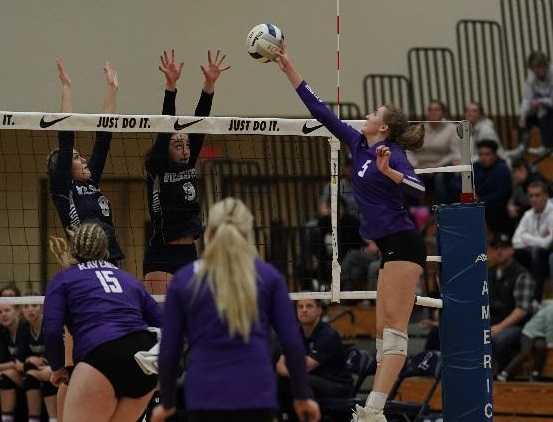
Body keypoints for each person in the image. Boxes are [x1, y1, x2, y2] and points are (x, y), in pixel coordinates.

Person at [273, 45, 426, 422]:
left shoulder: (390, 152)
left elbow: (420, 190)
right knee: (379, 329)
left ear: (385, 127)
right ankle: (374, 407)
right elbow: (321, 111)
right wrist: (289, 67)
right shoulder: (358, 144)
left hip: (405, 245)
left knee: (394, 332)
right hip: (388, 249)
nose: (367, 115)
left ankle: (372, 412)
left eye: (374, 113)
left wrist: (390, 171)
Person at [151, 198, 320, 422]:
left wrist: (167, 402)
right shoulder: (268, 277)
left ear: (208, 234)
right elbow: (292, 343)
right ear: (248, 234)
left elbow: (169, 349)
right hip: (257, 393)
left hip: (204, 395)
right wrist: (302, 396)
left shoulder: (184, 280)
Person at [43, 223, 161, 422]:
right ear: (105, 250)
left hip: (102, 353)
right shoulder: (128, 279)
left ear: (73, 249)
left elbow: (52, 331)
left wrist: (57, 367)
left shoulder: (64, 279)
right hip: (144, 359)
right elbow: (162, 321)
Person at [143, 49, 229, 294]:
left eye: (187, 144)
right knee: (164, 318)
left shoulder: (189, 165)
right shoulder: (157, 166)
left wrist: (209, 85)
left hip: (189, 252)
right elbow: (165, 125)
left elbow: (200, 122)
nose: (185, 149)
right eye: (177, 144)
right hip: (162, 253)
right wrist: (171, 87)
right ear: (165, 148)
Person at [47, 58, 123, 265]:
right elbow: (66, 136)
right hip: (85, 260)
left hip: (111, 256)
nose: (83, 160)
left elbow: (103, 138)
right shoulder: (64, 188)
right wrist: (67, 87)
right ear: (63, 168)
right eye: (76, 157)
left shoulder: (90, 181)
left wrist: (111, 89)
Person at [276, 299, 353, 416]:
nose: (304, 310)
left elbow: (303, 367)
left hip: (337, 386)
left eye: (309, 306)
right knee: (279, 381)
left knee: (294, 382)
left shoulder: (328, 335)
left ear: (319, 310)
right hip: (312, 380)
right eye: (300, 307)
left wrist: (291, 373)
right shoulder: (295, 332)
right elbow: (280, 366)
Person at [488, 234, 536, 373]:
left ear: (512, 250)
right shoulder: (488, 273)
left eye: (503, 248)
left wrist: (500, 327)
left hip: (517, 325)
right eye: (495, 248)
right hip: (492, 321)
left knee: (498, 339)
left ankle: (500, 374)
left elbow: (521, 310)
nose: (499, 251)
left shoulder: (522, 275)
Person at [408, 100, 460, 204]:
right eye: (430, 110)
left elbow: (455, 153)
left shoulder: (452, 129)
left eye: (437, 110)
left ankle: (443, 211)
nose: (433, 112)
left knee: (440, 179)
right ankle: (414, 215)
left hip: (441, 167)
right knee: (407, 178)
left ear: (443, 112)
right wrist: (415, 164)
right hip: (420, 167)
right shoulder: (420, 128)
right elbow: (408, 149)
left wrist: (436, 167)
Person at [513, 180, 553, 301]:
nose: (533, 199)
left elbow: (547, 244)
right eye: (531, 196)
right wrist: (537, 240)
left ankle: (536, 298)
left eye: (537, 195)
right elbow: (515, 241)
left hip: (548, 254)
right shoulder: (528, 214)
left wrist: (526, 237)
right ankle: (516, 299)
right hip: (532, 255)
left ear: (546, 195)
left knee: (537, 252)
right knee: (516, 253)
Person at [18, 303, 58, 422]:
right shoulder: (24, 327)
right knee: (30, 376)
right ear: (21, 311)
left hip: (55, 367)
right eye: (26, 306)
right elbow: (20, 360)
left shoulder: (49, 325)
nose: (30, 310)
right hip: (36, 370)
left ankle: (54, 418)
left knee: (48, 378)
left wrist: (45, 362)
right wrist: (29, 359)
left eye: (34, 305)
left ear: (41, 308)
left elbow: (58, 351)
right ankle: (33, 418)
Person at [497, 303, 553, 382]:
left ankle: (535, 374)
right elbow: (550, 327)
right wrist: (550, 343)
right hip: (529, 332)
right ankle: (505, 373)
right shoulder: (551, 309)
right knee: (525, 352)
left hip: (540, 335)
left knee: (541, 347)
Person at [514, 51, 553, 157]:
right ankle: (522, 147)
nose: (538, 70)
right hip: (544, 108)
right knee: (526, 116)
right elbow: (526, 99)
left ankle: (547, 145)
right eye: (534, 68)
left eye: (540, 67)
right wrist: (523, 116)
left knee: (545, 111)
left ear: (546, 65)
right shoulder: (531, 78)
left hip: (549, 108)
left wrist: (540, 101)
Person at [473, 140, 513, 235]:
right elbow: (458, 183)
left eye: (487, 154)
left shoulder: (502, 169)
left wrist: (480, 200)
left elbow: (502, 194)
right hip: (477, 203)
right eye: (481, 154)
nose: (483, 157)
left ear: (495, 155)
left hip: (496, 207)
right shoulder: (476, 166)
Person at [0, 304, 26, 422]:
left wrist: (11, 367)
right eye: (0, 312)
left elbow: (23, 363)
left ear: (17, 311)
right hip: (12, 375)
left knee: (6, 376)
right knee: (5, 377)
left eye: (7, 310)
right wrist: (10, 366)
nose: (3, 314)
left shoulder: (25, 328)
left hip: (30, 374)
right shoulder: (3, 333)